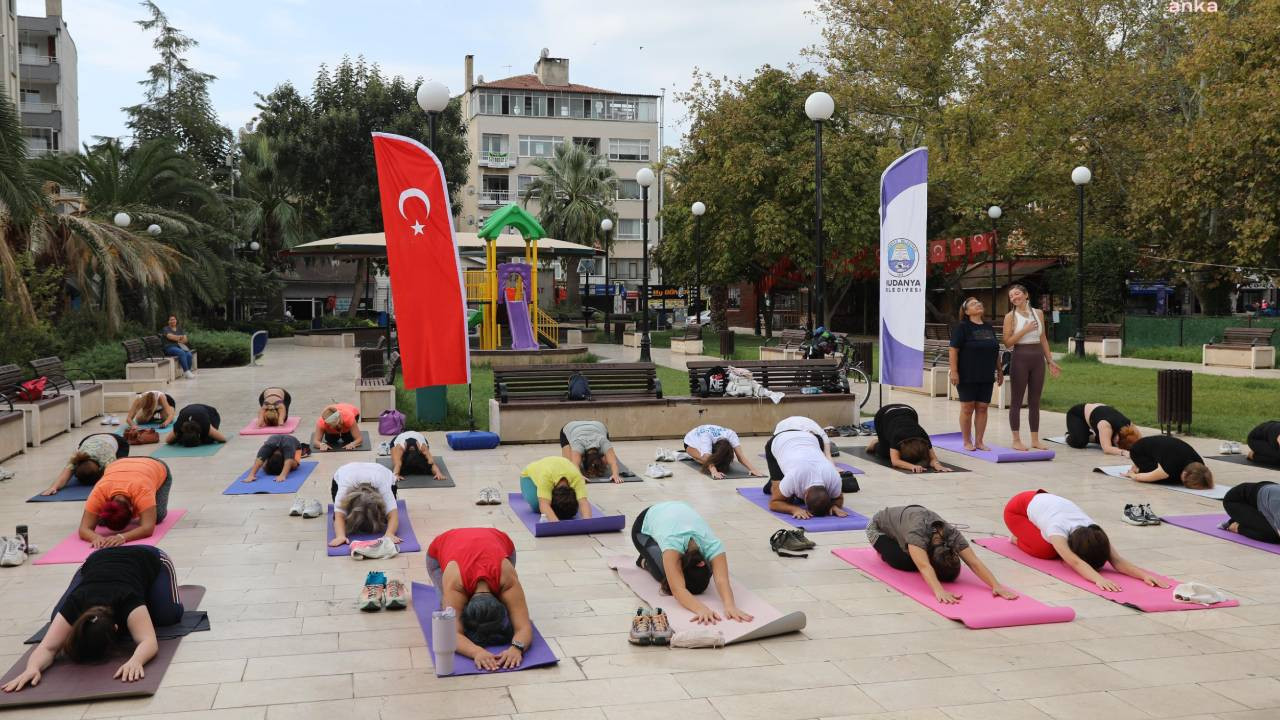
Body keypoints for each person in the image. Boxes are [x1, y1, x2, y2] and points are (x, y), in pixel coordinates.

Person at [0, 546, 183, 693]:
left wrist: (136, 660)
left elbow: (149, 642)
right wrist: (32, 668)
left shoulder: (128, 599)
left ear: (117, 628)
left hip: (147, 556)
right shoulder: (76, 604)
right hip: (97, 560)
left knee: (168, 616)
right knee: (56, 615)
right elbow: (48, 647)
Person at [1002, 490, 1167, 591]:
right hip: (1017, 510)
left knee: (1056, 549)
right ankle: (1017, 539)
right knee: (1047, 550)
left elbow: (1116, 560)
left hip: (1044, 500)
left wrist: (1144, 576)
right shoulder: (1057, 530)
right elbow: (1074, 562)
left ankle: (1034, 529)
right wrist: (1099, 579)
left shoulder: (1094, 530)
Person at [426, 528, 532, 671]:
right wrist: (476, 652)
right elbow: (450, 633)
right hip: (439, 550)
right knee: (445, 611)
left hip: (500, 540)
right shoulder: (456, 585)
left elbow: (524, 627)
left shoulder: (507, 580)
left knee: (512, 608)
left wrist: (517, 648)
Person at [631, 501, 753, 625]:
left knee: (670, 572)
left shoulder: (712, 544)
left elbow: (722, 580)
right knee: (664, 575)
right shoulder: (672, 545)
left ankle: (657, 557)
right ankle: (644, 560)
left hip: (673, 510)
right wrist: (701, 609)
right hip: (642, 527)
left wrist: (730, 606)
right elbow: (678, 589)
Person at [867, 505, 1019, 604]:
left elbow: (974, 562)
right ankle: (886, 550)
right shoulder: (917, 535)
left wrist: (996, 585)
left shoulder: (951, 534)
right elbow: (924, 565)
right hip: (878, 528)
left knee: (916, 555)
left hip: (906, 523)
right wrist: (939, 590)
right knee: (906, 561)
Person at [1002, 285, 1060, 451]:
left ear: (1026, 295)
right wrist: (1025, 330)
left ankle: (1035, 439)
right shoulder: (1010, 317)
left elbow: (1043, 339)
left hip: (1037, 359)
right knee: (1017, 400)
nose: (1014, 297)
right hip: (1020, 357)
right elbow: (1007, 343)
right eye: (1011, 296)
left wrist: (1050, 360)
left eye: (1017, 293)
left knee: (1035, 400)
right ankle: (1016, 440)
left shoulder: (1038, 313)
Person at [78, 458, 173, 548]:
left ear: (132, 509)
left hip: (154, 465)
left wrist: (123, 537)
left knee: (158, 517)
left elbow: (148, 528)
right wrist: (96, 538)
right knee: (102, 521)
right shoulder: (98, 493)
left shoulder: (142, 491)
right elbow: (83, 529)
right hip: (119, 463)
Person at [948, 297, 1003, 451]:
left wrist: (999, 370)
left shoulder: (988, 327)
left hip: (986, 374)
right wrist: (954, 371)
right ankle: (967, 441)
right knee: (967, 408)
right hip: (967, 374)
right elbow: (953, 350)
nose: (978, 304)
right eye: (973, 304)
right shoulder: (962, 327)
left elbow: (995, 350)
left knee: (983, 408)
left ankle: (979, 441)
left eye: (979, 302)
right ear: (966, 311)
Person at [762, 422, 848, 519]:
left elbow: (839, 498)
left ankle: (786, 486)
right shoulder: (794, 477)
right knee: (782, 496)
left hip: (809, 438)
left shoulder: (834, 477)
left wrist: (834, 506)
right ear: (805, 496)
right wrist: (794, 509)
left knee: (790, 494)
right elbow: (774, 503)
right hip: (779, 440)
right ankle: (774, 482)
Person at [328, 462, 400, 547]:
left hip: (381, 472)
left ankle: (371, 516)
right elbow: (339, 516)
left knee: (385, 518)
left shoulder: (383, 486)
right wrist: (340, 536)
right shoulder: (345, 487)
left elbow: (393, 515)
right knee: (341, 517)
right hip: (345, 472)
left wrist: (390, 533)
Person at [864, 404, 952, 473]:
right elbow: (895, 461)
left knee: (903, 453)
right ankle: (875, 443)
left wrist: (938, 465)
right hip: (883, 414)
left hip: (909, 411)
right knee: (884, 452)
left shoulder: (923, 436)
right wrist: (912, 466)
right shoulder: (897, 437)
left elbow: (933, 458)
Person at [42, 433, 129, 496]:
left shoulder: (107, 458)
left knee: (119, 464)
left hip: (118, 441)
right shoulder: (77, 457)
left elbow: (113, 477)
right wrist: (53, 487)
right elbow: (63, 477)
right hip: (89, 438)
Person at [1124, 435, 1213, 489]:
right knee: (1167, 479)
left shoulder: (1200, 464)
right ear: (1185, 473)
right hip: (1139, 451)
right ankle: (1141, 466)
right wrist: (1132, 475)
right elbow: (1142, 477)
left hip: (1163, 447)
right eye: (1186, 482)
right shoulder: (1171, 468)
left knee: (1174, 479)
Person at [519, 456, 591, 521]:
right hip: (528, 476)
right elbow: (544, 504)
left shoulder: (577, 478)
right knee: (538, 507)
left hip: (560, 468)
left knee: (567, 506)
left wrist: (587, 521)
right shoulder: (546, 478)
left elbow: (583, 502)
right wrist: (556, 523)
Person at [682, 424, 764, 479]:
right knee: (702, 459)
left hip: (709, 437)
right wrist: (714, 471)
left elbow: (740, 456)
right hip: (690, 442)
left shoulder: (731, 434)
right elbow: (706, 457)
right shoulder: (706, 437)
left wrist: (753, 469)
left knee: (721, 464)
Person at [1065, 403, 1141, 456]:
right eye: (1117, 445)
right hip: (1077, 414)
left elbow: (1140, 440)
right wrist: (1123, 452)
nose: (1115, 445)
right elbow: (1107, 449)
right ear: (1117, 439)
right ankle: (1070, 435)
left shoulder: (1130, 425)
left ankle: (1089, 435)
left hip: (1099, 411)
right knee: (1080, 442)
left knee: (1106, 440)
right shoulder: (1105, 425)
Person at [160, 315, 196, 379]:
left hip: (179, 347)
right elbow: (170, 337)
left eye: (174, 319)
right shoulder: (166, 329)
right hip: (169, 347)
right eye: (171, 320)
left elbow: (185, 340)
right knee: (181, 352)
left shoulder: (179, 329)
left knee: (189, 354)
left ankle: (188, 371)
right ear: (168, 321)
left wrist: (177, 338)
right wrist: (180, 337)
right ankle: (186, 371)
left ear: (176, 321)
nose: (173, 321)